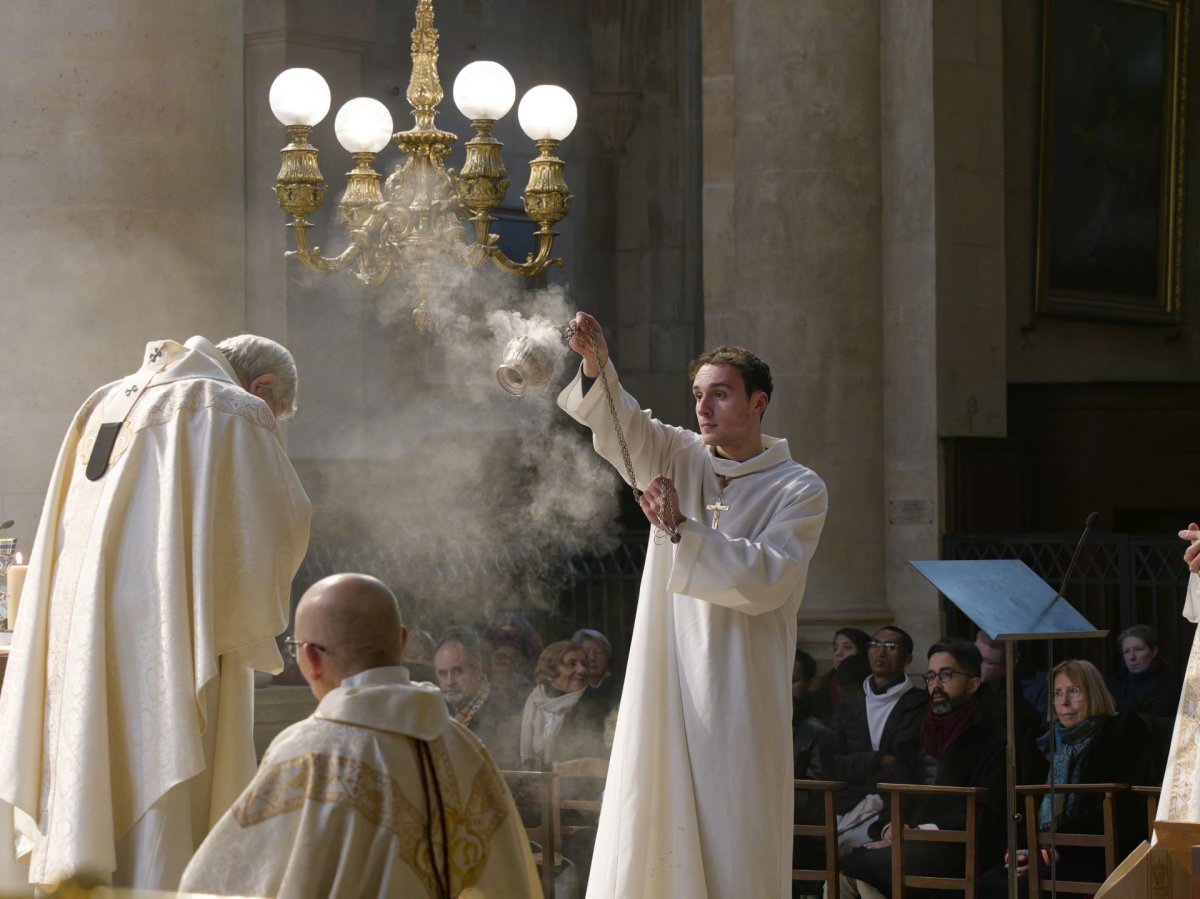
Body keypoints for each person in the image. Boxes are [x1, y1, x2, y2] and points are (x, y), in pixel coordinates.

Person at [0, 335, 311, 892]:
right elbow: (274, 527)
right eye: (276, 415)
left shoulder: (103, 401)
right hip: (172, 626)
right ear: (261, 388)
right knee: (168, 773)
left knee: (88, 740)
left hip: (84, 624)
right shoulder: (233, 408)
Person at [560, 312, 828, 898]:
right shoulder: (680, 455)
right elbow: (624, 427)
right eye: (698, 395)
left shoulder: (799, 488)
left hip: (739, 687)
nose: (703, 408)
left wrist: (683, 530)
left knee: (734, 830)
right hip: (666, 673)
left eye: (721, 395)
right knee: (652, 808)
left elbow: (767, 579)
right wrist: (596, 365)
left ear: (759, 403)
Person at [180, 573, 541, 898]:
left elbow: (218, 887)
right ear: (401, 643)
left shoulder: (306, 754)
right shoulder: (466, 750)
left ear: (309, 658)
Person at [838, 638, 1005, 899]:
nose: (936, 685)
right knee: (844, 874)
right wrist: (890, 828)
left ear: (973, 683)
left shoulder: (992, 738)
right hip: (911, 843)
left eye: (946, 675)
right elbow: (895, 794)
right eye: (930, 676)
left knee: (858, 871)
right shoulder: (916, 736)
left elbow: (988, 814)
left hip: (961, 846)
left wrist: (920, 833)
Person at [978, 659, 1161, 896]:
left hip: (1098, 851)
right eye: (1057, 693)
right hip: (1045, 849)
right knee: (988, 882)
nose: (1064, 702)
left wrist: (1056, 849)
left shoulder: (1122, 733)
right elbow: (1022, 805)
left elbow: (1122, 809)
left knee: (1022, 889)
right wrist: (1019, 849)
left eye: (1074, 692)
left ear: (1093, 693)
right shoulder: (1043, 744)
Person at [830, 626, 928, 851]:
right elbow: (833, 762)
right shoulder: (850, 704)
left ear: (907, 658)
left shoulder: (918, 704)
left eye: (890, 647)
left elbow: (907, 764)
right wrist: (877, 760)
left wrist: (867, 766)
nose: (880, 652)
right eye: (874, 645)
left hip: (896, 805)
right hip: (848, 802)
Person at [434, 626, 522, 767]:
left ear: (478, 670)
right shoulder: (433, 712)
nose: (449, 682)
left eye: (458, 671)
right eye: (443, 673)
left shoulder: (504, 713)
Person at [519, 640, 610, 769]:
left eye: (584, 664)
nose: (582, 670)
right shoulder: (533, 702)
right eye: (572, 664)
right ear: (549, 672)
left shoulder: (595, 708)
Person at [975, 631, 1047, 783]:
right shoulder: (968, 689)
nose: (977, 665)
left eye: (985, 661)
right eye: (975, 657)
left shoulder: (1035, 688)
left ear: (1007, 666)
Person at [1106, 623, 1181, 717]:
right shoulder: (1115, 684)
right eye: (1126, 652)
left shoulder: (1169, 684)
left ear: (1153, 651)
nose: (1132, 657)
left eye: (1138, 649)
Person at [811, 627, 871, 723]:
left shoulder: (873, 689)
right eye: (835, 649)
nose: (838, 653)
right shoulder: (820, 687)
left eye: (847, 647)